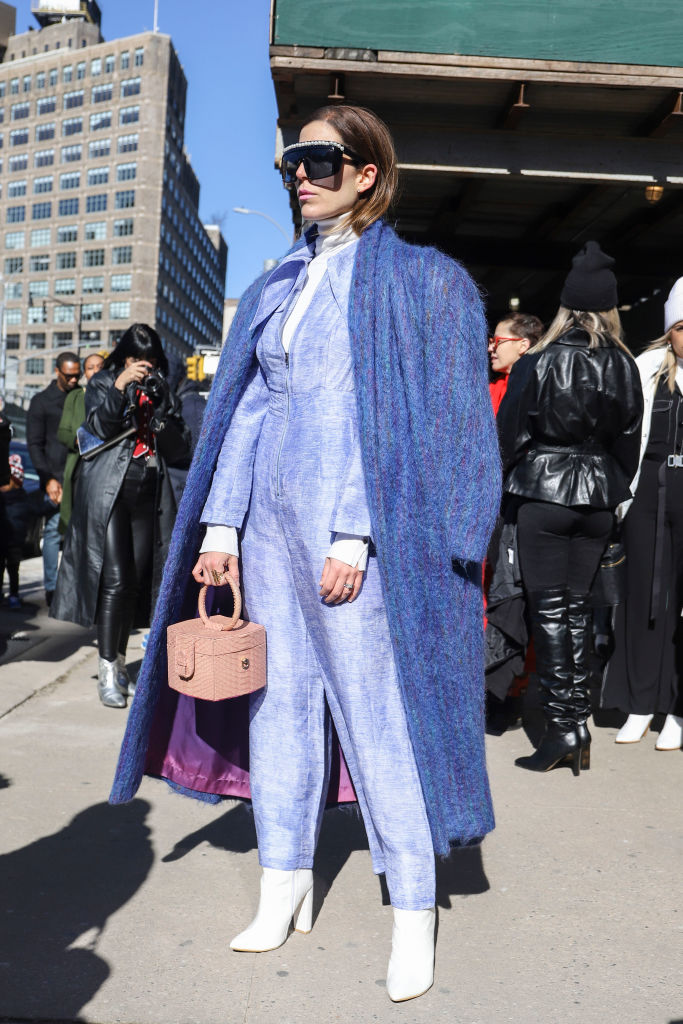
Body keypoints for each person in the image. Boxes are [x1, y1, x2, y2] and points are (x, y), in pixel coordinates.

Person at [109, 105, 500, 1002]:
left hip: (353, 539)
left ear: (368, 172)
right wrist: (218, 528)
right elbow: (248, 410)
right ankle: (281, 882)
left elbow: (418, 429)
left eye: (321, 159)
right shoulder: (282, 278)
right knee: (277, 714)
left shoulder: (418, 281)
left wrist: (359, 531)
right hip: (268, 534)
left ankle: (412, 910)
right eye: (293, 157)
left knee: (376, 726)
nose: (300, 172)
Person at [497, 241, 643, 775]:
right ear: (608, 308)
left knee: (551, 612)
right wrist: (611, 485)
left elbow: (510, 434)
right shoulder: (624, 365)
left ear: (566, 306)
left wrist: (511, 482)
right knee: (579, 609)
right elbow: (629, 440)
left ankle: (564, 728)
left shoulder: (538, 361)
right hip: (598, 495)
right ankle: (575, 723)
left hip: (545, 492)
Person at [50, 325, 190, 709]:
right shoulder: (103, 383)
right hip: (108, 493)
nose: (142, 368)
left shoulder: (161, 388)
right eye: (134, 361)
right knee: (115, 579)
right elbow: (97, 428)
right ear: (124, 357)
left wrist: (162, 405)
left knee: (136, 582)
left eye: (150, 362)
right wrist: (119, 388)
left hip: (148, 491)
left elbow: (180, 450)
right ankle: (109, 667)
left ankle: (121, 661)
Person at [602, 277, 683, 751]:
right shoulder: (646, 368)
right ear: (669, 330)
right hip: (648, 493)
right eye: (681, 326)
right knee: (642, 599)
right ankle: (639, 702)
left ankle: (677, 708)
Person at [26, 351, 81, 606]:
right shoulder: (41, 402)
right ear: (57, 371)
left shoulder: (82, 397)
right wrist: (47, 478)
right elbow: (34, 444)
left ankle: (71, 590)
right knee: (53, 531)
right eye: (68, 375)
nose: (73, 380)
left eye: (76, 375)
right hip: (55, 479)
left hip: (79, 477)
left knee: (77, 536)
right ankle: (51, 589)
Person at [57, 352, 105, 535]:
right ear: (85, 373)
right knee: (77, 525)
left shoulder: (116, 394)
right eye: (90, 368)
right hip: (81, 464)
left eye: (100, 367)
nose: (95, 371)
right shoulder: (76, 396)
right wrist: (79, 440)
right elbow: (62, 432)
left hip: (106, 466)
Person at [488, 312, 544, 414]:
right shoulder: (490, 390)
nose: (490, 348)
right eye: (491, 341)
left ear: (523, 346)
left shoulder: (538, 389)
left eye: (497, 341)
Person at [0, 454, 31, 608]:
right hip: (2, 540)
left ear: (16, 481)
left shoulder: (23, 498)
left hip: (15, 542)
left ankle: (14, 595)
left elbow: (36, 510)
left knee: (13, 570)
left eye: (8, 480)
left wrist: (52, 505)